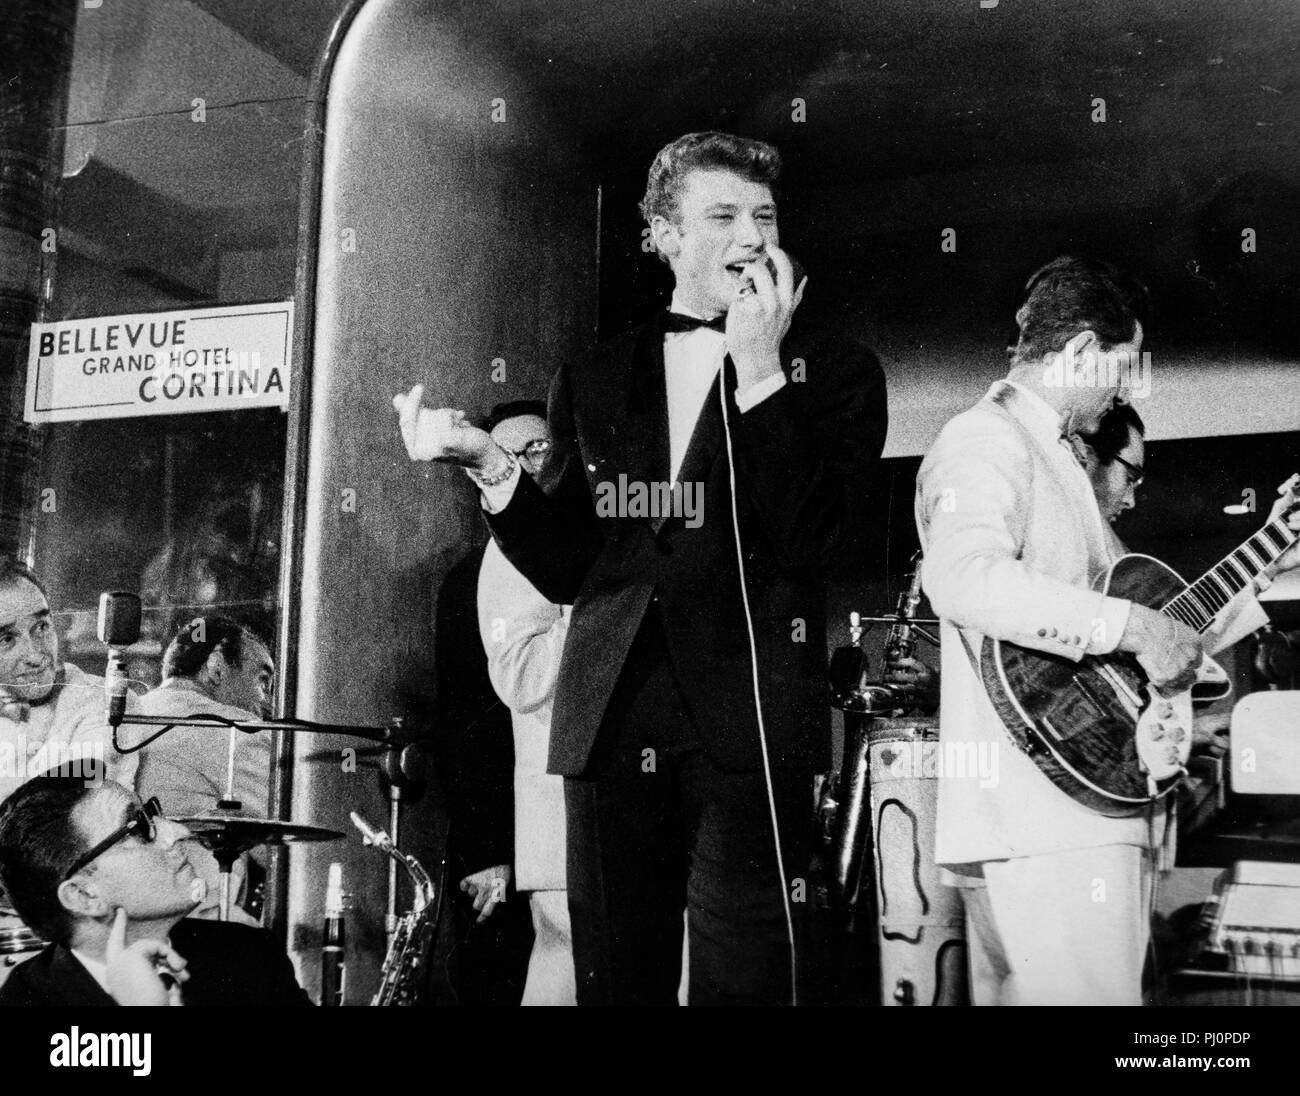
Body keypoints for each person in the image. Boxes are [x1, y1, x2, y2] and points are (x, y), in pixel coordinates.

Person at [395, 131, 887, 1004]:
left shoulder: (837, 372)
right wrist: (488, 464)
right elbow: (570, 564)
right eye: (723, 215)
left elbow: (823, 541)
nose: (751, 238)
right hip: (611, 718)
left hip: (753, 721)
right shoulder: (594, 374)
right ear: (662, 234)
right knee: (616, 979)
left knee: (750, 978)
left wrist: (763, 369)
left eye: (764, 217)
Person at [915, 255, 1300, 1005]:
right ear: (1085, 352)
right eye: (1124, 370)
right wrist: (1129, 626)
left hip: (1061, 807)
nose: (1124, 391)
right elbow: (961, 579)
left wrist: (1273, 547)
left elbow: (1159, 624)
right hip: (1053, 814)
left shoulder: (1054, 459)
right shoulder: (985, 438)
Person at [0, 775, 309, 1005]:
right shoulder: (24, 1001)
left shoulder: (249, 954)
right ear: (84, 896)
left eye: (152, 813)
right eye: (141, 829)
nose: (179, 832)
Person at [133, 616, 276, 922]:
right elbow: (282, 851)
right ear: (216, 667)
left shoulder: (133, 712)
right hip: (201, 926)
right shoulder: (238, 729)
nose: (266, 701)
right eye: (262, 679)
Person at [0, 558, 137, 807]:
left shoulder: (100, 701)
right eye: (7, 639)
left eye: (41, 627)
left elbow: (67, 808)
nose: (35, 655)